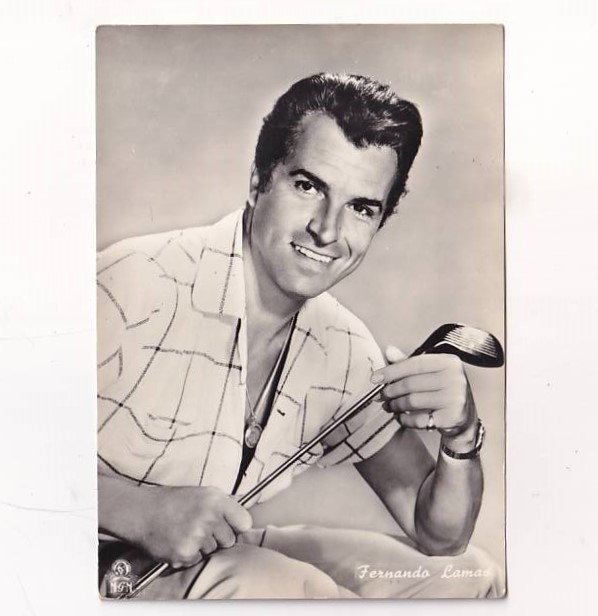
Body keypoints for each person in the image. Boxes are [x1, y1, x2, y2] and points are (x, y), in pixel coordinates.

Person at [97, 73, 503, 599]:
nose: (327, 231)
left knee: (468, 577)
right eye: (308, 187)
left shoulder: (342, 347)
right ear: (257, 182)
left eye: (361, 208)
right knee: (286, 587)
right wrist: (140, 509)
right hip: (72, 561)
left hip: (206, 561)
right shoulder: (133, 282)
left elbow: (440, 534)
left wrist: (461, 436)